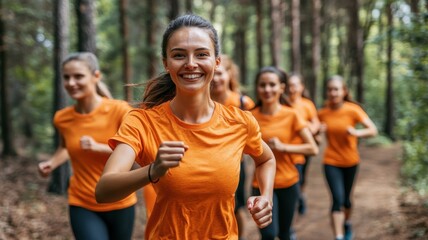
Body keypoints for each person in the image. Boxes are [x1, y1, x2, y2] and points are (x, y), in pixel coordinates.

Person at [95, 14, 276, 239]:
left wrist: (266, 197)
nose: (191, 63)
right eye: (179, 55)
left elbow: (266, 159)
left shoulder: (240, 121)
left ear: (216, 62)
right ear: (166, 63)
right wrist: (153, 170)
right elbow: (104, 190)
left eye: (201, 54)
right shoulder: (142, 122)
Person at [38, 52, 137, 240]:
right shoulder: (62, 118)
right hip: (82, 202)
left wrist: (98, 147)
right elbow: (67, 147)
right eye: (66, 77)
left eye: (78, 76)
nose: (71, 83)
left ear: (96, 76)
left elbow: (135, 152)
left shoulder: (120, 110)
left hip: (120, 201)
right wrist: (52, 163)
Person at [250, 66, 318, 240]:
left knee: (285, 234)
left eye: (272, 85)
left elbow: (312, 148)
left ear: (282, 88)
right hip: (261, 185)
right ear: (257, 87)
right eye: (262, 85)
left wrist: (283, 147)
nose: (267, 90)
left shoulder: (292, 115)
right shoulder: (249, 117)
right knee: (268, 234)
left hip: (288, 182)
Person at [318, 75, 378, 240]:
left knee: (347, 200)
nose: (333, 93)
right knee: (337, 199)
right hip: (330, 162)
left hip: (351, 161)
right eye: (330, 89)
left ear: (343, 91)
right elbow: (313, 133)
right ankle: (339, 236)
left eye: (336, 89)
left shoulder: (353, 110)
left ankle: (347, 223)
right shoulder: (322, 113)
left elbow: (373, 130)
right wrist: (318, 131)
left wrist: (356, 132)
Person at [211, 54, 255, 239]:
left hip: (235, 165)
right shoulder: (198, 102)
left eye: (220, 73)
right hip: (205, 164)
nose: (215, 78)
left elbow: (256, 139)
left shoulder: (243, 103)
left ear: (229, 74)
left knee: (236, 207)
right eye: (212, 73)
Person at [285, 73, 321, 215]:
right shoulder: (284, 103)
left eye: (294, 85)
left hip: (305, 148)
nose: (291, 89)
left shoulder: (307, 104)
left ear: (301, 87)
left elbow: (316, 122)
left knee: (301, 177)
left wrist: (309, 129)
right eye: (289, 85)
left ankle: (301, 196)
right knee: (294, 177)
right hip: (288, 149)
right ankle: (295, 199)